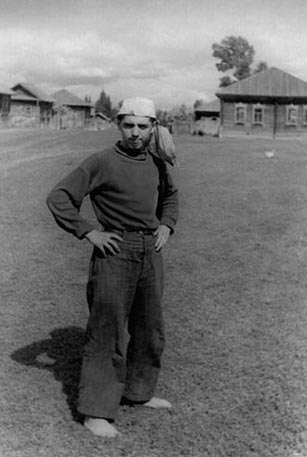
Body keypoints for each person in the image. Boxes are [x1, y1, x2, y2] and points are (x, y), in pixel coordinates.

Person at [46, 97, 179, 438]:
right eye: (129, 125)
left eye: (143, 126)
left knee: (150, 328)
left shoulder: (157, 163)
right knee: (107, 331)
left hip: (150, 252)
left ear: (153, 128)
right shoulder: (102, 161)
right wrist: (89, 231)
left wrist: (166, 224)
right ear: (118, 125)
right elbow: (59, 196)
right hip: (114, 252)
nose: (135, 133)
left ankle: (137, 393)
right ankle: (95, 412)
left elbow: (170, 196)